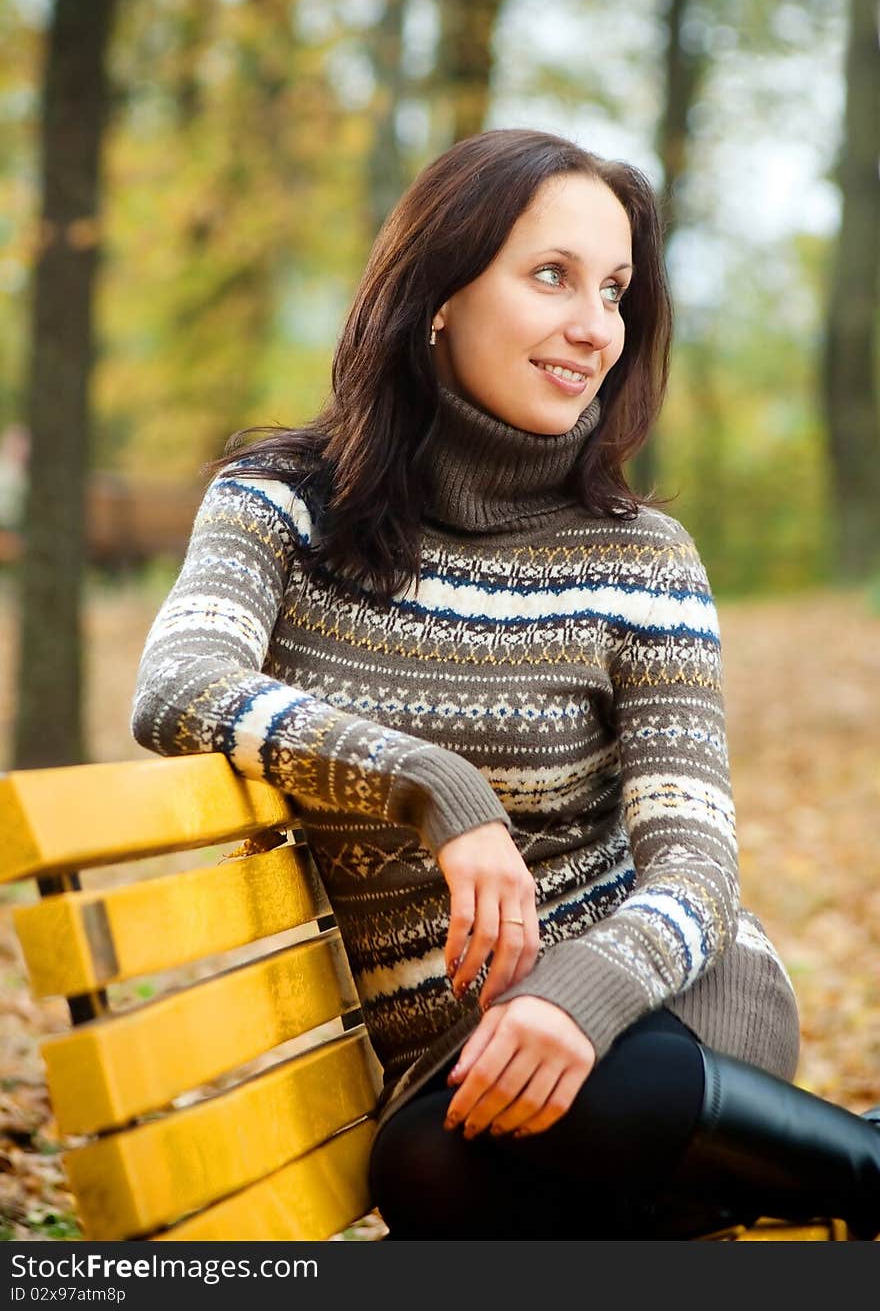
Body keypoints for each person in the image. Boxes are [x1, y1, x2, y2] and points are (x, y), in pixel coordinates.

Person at [131, 128, 880, 1241]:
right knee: (429, 1169)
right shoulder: (279, 503)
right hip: (452, 1060)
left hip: (660, 989)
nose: (594, 327)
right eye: (551, 276)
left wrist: (580, 991)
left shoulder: (641, 558)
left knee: (593, 1112)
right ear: (438, 293)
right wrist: (431, 784)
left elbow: (695, 855)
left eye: (615, 290)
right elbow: (178, 683)